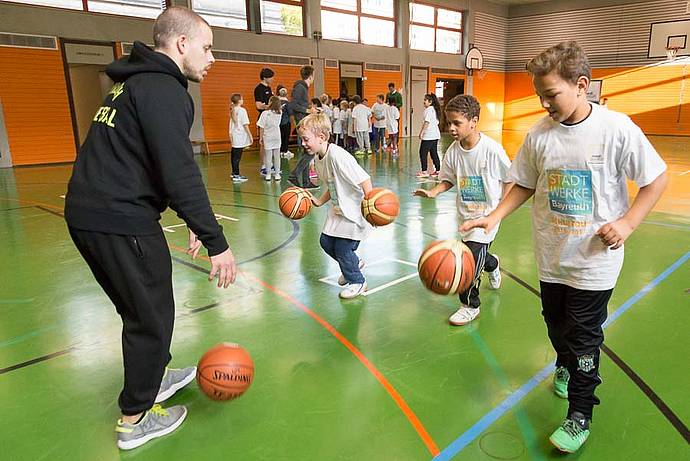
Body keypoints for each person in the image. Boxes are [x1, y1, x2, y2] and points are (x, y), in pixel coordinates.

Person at [461, 41, 668, 453]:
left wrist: (627, 222)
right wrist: (495, 216)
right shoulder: (540, 136)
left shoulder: (617, 129)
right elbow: (523, 182)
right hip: (552, 258)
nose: (543, 103)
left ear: (582, 85)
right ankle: (564, 364)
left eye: (551, 94)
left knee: (584, 336)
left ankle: (580, 414)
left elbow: (656, 178)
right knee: (556, 327)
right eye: (539, 95)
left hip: (594, 263)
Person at [64, 6, 237, 450]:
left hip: (92, 214)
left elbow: (153, 167)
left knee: (140, 307)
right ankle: (134, 418)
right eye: (207, 46)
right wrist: (217, 241)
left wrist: (192, 219)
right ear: (181, 44)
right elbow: (178, 171)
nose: (211, 57)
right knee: (152, 316)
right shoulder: (163, 89)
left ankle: (155, 377)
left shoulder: (132, 82)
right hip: (120, 220)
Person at [413, 94, 512, 325]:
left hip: (487, 217)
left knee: (467, 260)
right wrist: (434, 192)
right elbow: (448, 180)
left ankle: (470, 305)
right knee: (478, 256)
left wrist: (499, 211)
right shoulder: (453, 152)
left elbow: (510, 180)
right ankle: (493, 263)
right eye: (449, 123)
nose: (451, 128)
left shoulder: (492, 150)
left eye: (457, 123)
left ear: (473, 121)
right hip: (466, 216)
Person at [301, 113, 373, 299]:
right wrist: (318, 201)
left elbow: (364, 179)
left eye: (306, 139)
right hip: (338, 210)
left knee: (342, 248)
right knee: (326, 242)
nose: (303, 143)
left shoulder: (338, 156)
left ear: (322, 137)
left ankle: (358, 281)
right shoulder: (318, 158)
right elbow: (332, 184)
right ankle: (353, 264)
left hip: (354, 212)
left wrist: (371, 206)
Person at [288, 65, 316, 188]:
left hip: (303, 120)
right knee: (311, 151)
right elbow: (293, 105)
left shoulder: (303, 88)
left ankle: (305, 181)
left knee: (308, 151)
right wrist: (307, 110)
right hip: (302, 122)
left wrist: (309, 109)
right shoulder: (300, 88)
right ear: (311, 76)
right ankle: (294, 175)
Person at [257, 96, 283, 181]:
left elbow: (261, 127)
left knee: (268, 156)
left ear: (271, 102)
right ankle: (277, 174)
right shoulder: (279, 113)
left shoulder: (265, 113)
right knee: (277, 156)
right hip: (277, 136)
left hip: (267, 136)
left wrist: (260, 138)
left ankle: (268, 174)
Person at [254, 67, 274, 176]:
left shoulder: (270, 89)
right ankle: (263, 165)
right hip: (263, 117)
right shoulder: (258, 89)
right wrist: (268, 106)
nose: (272, 79)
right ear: (265, 77)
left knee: (272, 142)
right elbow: (258, 105)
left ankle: (270, 164)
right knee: (263, 142)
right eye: (271, 77)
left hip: (272, 118)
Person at [229, 93, 253, 182]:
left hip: (234, 134)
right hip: (239, 135)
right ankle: (236, 175)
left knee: (234, 154)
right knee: (237, 156)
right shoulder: (242, 110)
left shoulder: (233, 109)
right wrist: (250, 135)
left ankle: (234, 172)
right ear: (239, 101)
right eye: (242, 99)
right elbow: (245, 124)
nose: (243, 100)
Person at [418, 93, 441, 178]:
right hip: (435, 135)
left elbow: (427, 122)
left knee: (422, 153)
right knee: (433, 153)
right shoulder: (435, 109)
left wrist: (422, 132)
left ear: (430, 102)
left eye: (425, 100)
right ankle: (438, 170)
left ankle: (424, 171)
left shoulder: (429, 110)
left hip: (429, 136)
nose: (423, 102)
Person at [277, 85, 293, 159]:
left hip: (278, 123)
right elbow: (290, 113)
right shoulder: (287, 103)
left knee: (280, 137)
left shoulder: (277, 102)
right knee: (286, 137)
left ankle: (280, 151)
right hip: (286, 122)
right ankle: (285, 151)